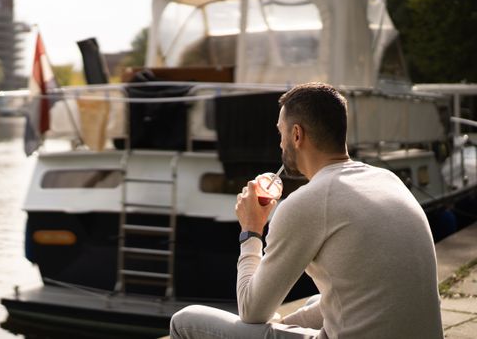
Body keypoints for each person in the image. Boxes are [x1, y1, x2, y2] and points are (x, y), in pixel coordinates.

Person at [170, 82, 443, 338]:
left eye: (281, 132)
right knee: (318, 300)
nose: (280, 143)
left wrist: (251, 231)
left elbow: (252, 310)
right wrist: (282, 325)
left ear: (297, 134)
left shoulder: (306, 202)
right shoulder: (386, 178)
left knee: (184, 320)